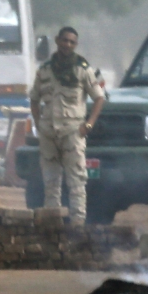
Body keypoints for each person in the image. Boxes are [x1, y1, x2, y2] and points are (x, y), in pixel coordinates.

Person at [29, 27, 106, 226]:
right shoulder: (45, 70)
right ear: (57, 41)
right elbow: (34, 99)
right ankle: (51, 224)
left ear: (76, 45)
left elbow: (99, 98)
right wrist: (39, 124)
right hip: (48, 132)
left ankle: (77, 225)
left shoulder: (82, 69)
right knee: (51, 181)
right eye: (64, 41)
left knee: (77, 181)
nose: (67, 45)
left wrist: (88, 125)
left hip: (73, 131)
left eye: (72, 42)